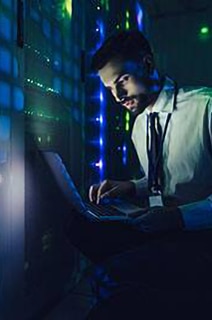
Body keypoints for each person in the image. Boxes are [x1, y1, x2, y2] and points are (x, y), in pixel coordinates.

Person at [67, 30, 212, 318]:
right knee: (76, 225)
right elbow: (167, 179)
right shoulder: (140, 125)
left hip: (202, 238)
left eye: (122, 81)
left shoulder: (205, 107)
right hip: (162, 231)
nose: (118, 97)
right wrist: (131, 187)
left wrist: (177, 218)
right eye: (109, 89)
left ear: (147, 64)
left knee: (113, 281)